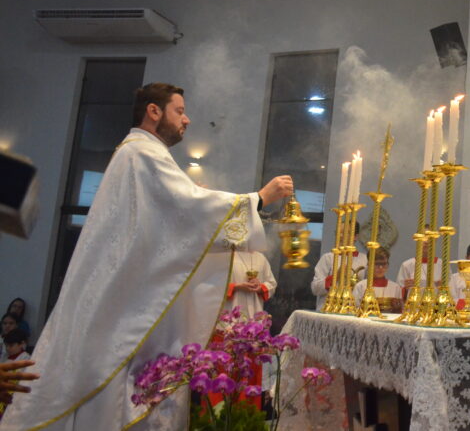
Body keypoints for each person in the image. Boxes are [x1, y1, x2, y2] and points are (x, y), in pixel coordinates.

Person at [0, 82, 293, 431]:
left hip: (119, 290)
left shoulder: (136, 153)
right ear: (154, 111)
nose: (187, 119)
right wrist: (258, 197)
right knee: (107, 389)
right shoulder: (142, 153)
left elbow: (177, 220)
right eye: (179, 110)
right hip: (120, 299)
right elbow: (189, 208)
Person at [311, 221, 367, 311]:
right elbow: (315, 288)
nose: (341, 236)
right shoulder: (328, 258)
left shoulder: (364, 260)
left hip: (353, 310)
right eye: (339, 232)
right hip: (328, 309)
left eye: (345, 232)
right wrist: (336, 276)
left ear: (355, 237)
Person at [225, 247, 277, 318]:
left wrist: (260, 287)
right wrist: (237, 287)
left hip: (256, 312)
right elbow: (215, 287)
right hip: (231, 312)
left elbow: (272, 284)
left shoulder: (260, 257)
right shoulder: (225, 255)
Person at [353, 248, 403, 313]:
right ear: (369, 265)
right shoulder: (361, 286)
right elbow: (354, 309)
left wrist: (397, 308)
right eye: (377, 264)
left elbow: (399, 312)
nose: (380, 268)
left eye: (384, 264)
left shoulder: (395, 287)